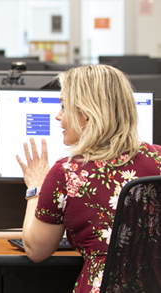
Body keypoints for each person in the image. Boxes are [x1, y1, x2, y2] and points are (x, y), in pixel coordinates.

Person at [16, 64, 161, 292]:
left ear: (86, 115)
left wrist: (35, 187)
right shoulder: (159, 159)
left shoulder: (68, 173)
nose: (58, 115)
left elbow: (36, 250)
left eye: (64, 107)